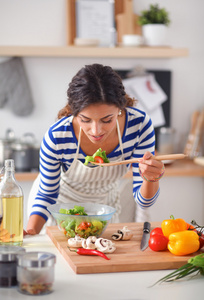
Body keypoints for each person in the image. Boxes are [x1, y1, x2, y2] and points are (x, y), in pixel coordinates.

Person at [25, 63, 164, 235]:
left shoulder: (139, 126)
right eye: (85, 119)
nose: (96, 131)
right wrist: (30, 232)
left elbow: (144, 202)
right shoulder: (57, 137)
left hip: (104, 210)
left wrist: (151, 178)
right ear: (73, 111)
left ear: (120, 109)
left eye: (107, 120)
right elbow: (47, 196)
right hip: (60, 211)